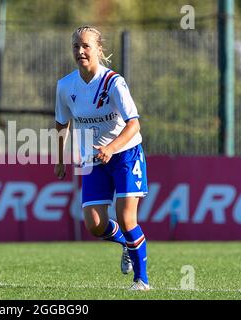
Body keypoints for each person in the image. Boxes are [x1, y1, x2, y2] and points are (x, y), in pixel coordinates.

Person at [54, 26, 150, 290]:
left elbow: (134, 124)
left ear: (98, 49)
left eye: (86, 46)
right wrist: (60, 159)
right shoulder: (65, 86)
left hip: (125, 154)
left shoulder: (113, 83)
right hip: (92, 158)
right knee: (94, 225)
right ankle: (126, 245)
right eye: (76, 46)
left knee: (126, 218)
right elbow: (62, 124)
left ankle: (141, 280)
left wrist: (111, 147)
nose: (80, 51)